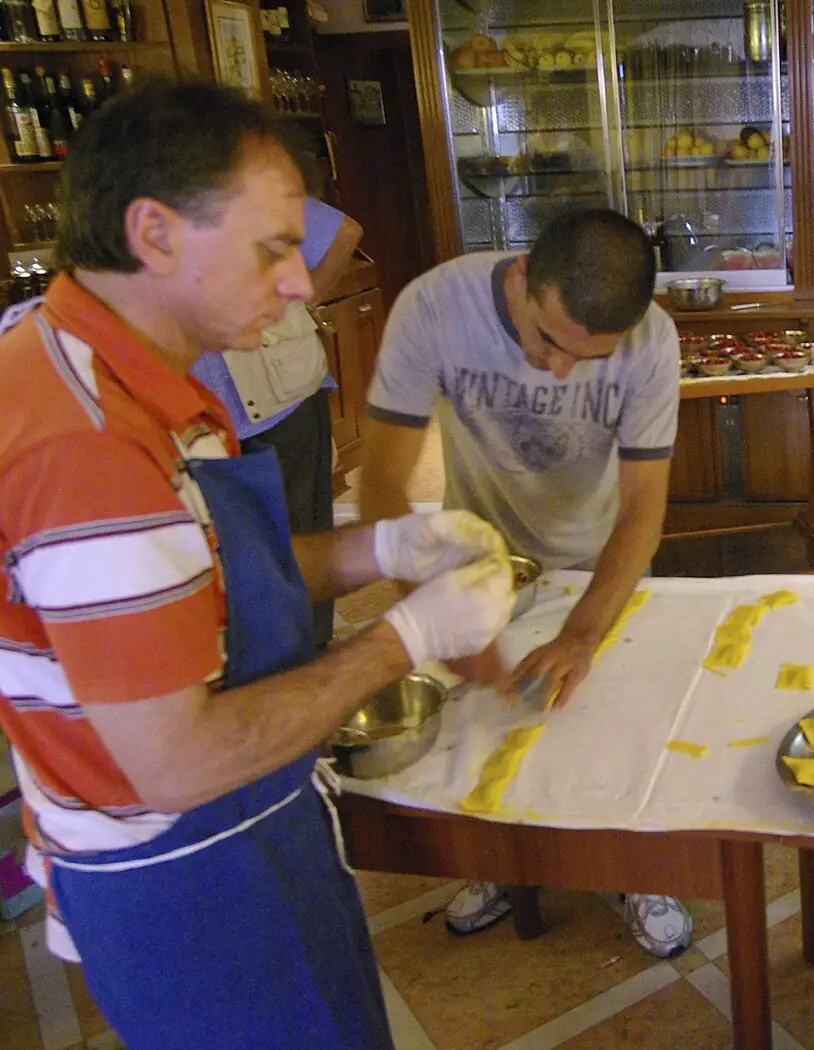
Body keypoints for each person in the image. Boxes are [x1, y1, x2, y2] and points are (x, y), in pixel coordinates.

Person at [0, 81, 516, 1048]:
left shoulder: (112, 366)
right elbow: (179, 759)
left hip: (243, 830)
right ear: (154, 233)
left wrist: (382, 547)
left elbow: (204, 571)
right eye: (272, 247)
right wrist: (405, 639)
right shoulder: (89, 448)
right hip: (189, 878)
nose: (297, 280)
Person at [359, 209, 692, 953]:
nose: (559, 369)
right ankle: (499, 864)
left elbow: (643, 505)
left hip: (599, 556)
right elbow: (380, 476)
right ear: (519, 282)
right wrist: (428, 609)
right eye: (548, 340)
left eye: (588, 357)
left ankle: (633, 864)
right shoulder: (433, 307)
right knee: (485, 725)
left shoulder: (653, 342)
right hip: (478, 561)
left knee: (607, 724)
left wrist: (582, 633)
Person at [189, 197, 365, 646]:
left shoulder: (243, 175)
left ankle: (312, 650)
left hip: (283, 398)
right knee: (234, 551)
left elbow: (343, 232)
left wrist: (304, 299)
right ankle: (266, 663)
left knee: (303, 529)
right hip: (200, 420)